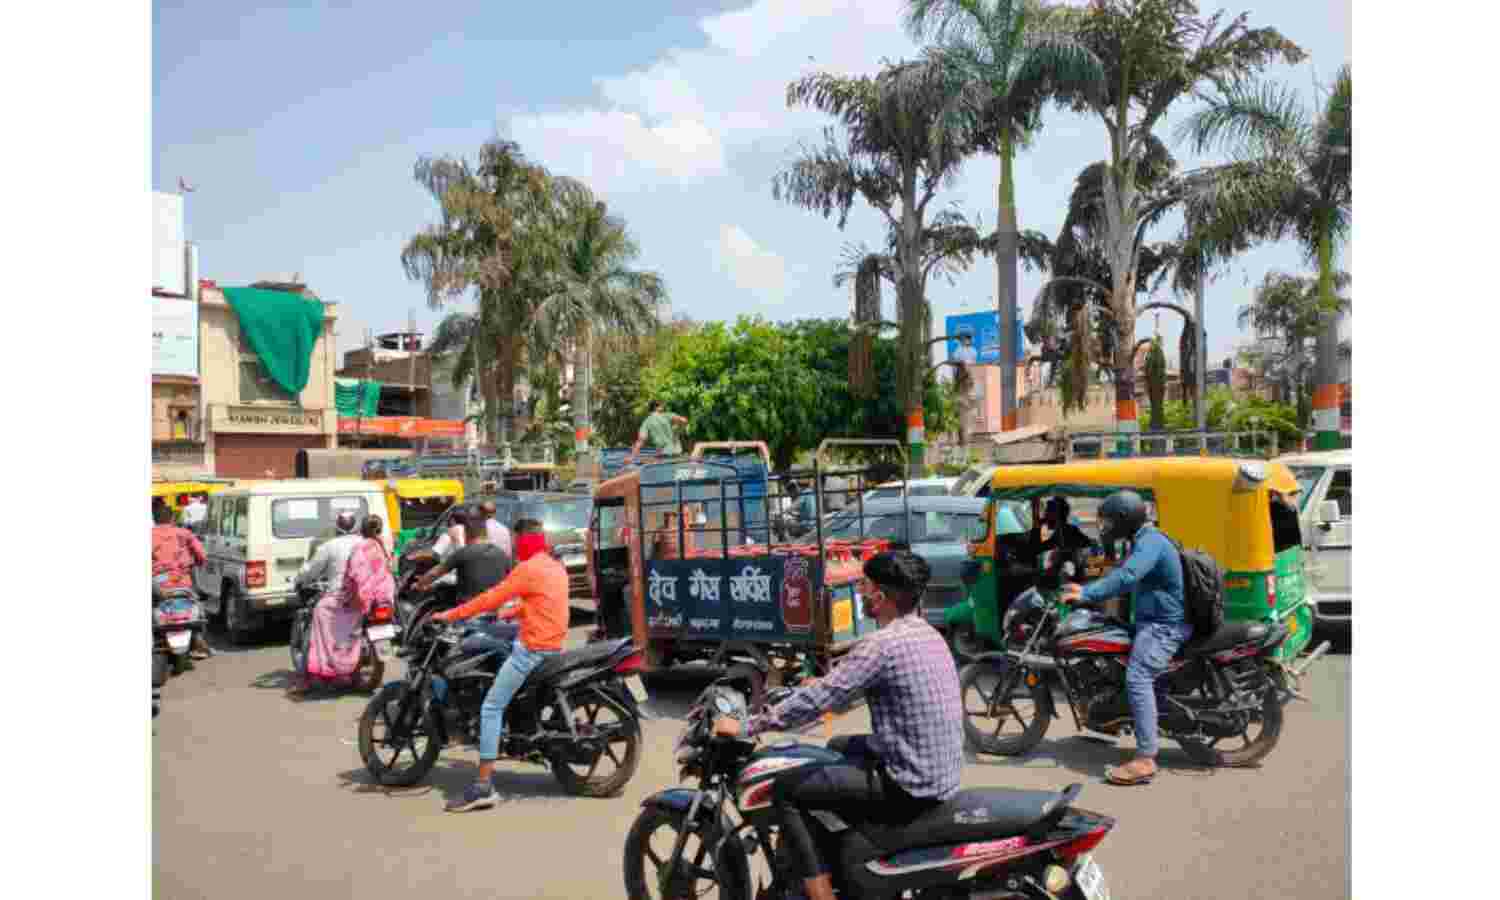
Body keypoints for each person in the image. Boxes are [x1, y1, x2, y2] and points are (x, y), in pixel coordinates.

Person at [712, 551, 963, 900]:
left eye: (864, 584)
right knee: (835, 747)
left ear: (880, 594)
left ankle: (819, 890)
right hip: (938, 770)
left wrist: (748, 726)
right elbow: (854, 690)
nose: (859, 590)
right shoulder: (927, 634)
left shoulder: (880, 645)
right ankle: (842, 842)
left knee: (785, 789)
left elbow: (823, 700)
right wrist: (816, 690)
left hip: (908, 781)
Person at [434, 518, 569, 812]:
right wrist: (510, 613)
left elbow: (490, 597)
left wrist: (452, 615)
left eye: (516, 540)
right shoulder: (553, 565)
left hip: (533, 649)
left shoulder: (528, 568)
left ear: (521, 540)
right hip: (553, 643)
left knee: (491, 707)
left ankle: (483, 787)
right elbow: (542, 601)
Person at [1061, 489, 1190, 786]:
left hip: (1163, 626)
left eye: (1108, 522)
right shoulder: (1145, 540)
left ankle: (1145, 758)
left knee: (1138, 676)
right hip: (1149, 621)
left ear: (1124, 519)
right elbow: (1124, 575)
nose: (1106, 528)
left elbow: (1128, 576)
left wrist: (1088, 593)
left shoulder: (1151, 542)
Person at [292, 511, 365, 692]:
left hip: (339, 597)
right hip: (367, 598)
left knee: (318, 614)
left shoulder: (329, 546)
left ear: (337, 527)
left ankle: (307, 678)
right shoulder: (366, 544)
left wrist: (299, 578)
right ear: (355, 525)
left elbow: (310, 570)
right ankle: (352, 670)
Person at [151, 504, 213, 660]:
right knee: (198, 607)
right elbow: (202, 556)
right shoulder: (184, 534)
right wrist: (197, 562)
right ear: (172, 518)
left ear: (154, 519)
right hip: (182, 584)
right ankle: (198, 636)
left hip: (158, 586)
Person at [413, 512, 511, 602]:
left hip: (469, 608)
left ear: (466, 534)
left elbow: (434, 574)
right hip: (496, 607)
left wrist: (419, 584)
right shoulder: (501, 553)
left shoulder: (464, 553)